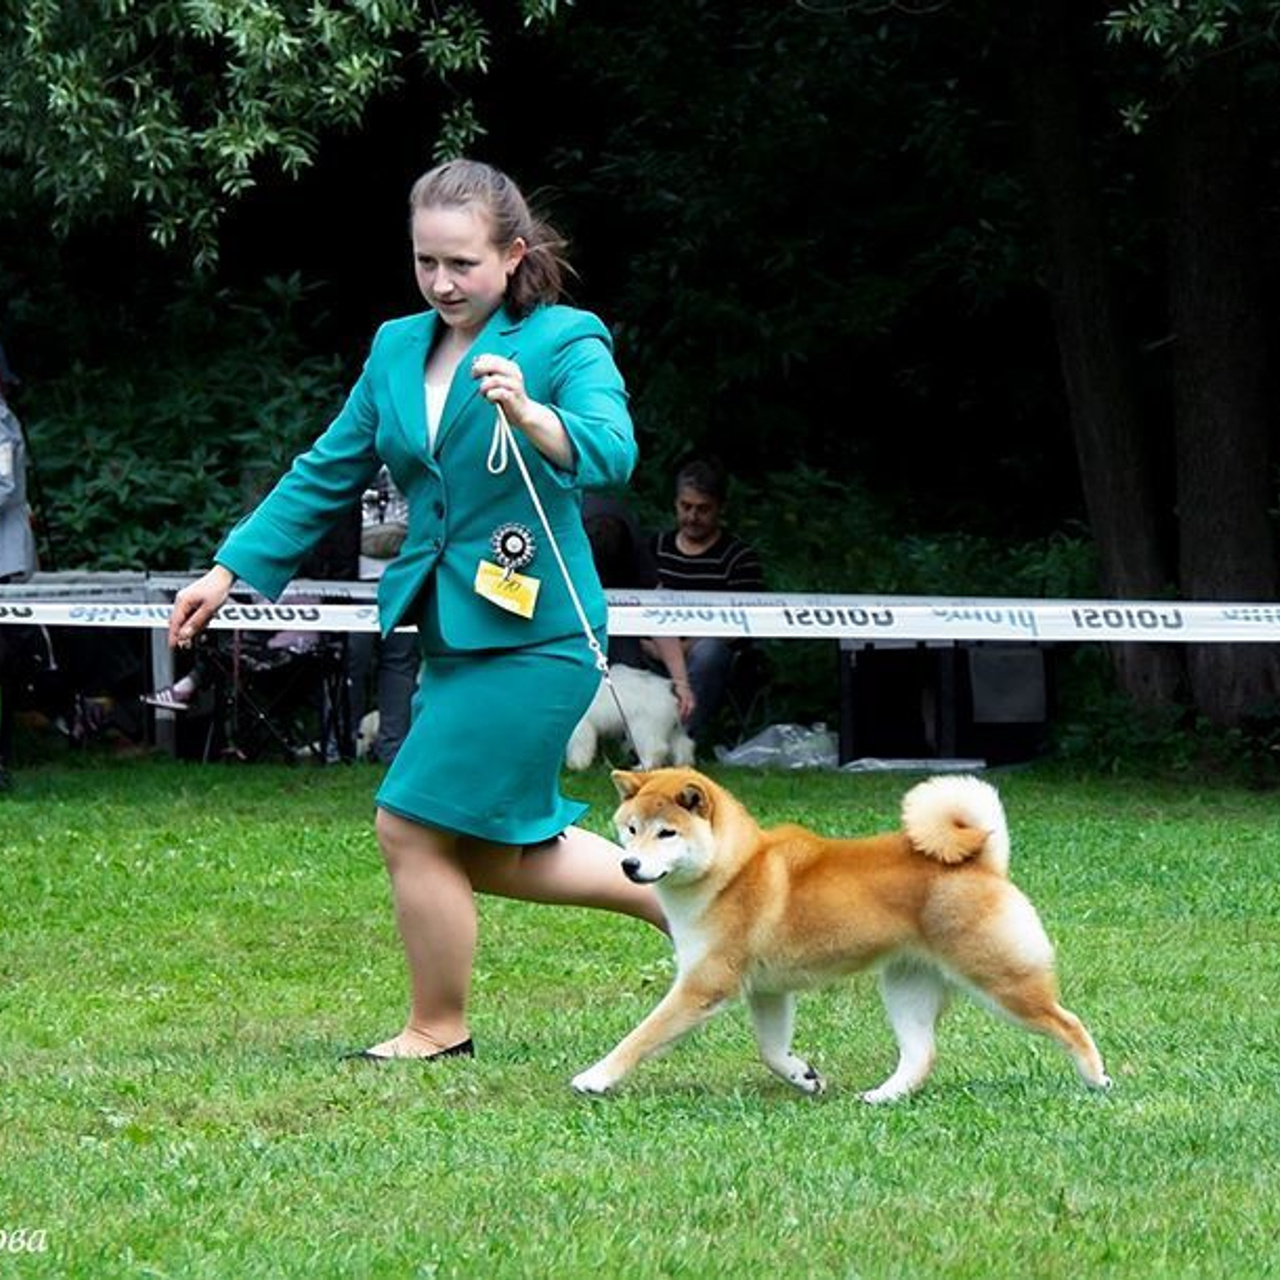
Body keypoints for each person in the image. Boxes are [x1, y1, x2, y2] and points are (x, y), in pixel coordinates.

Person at [169, 158, 666, 1061]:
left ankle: (438, 1029)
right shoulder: (397, 347)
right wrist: (227, 570)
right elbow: (327, 468)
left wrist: (532, 417)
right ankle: (680, 898)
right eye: (425, 262)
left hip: (543, 634)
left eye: (463, 264)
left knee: (408, 822)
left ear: (513, 256)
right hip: (446, 628)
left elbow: (613, 450)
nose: (441, 282)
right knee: (486, 851)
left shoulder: (563, 340)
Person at [648, 457, 765, 741]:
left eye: (703, 509)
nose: (692, 517)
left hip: (708, 652)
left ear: (720, 509)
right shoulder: (655, 548)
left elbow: (742, 624)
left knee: (709, 652)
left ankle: (682, 738)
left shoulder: (739, 558)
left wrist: (682, 647)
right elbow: (637, 606)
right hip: (652, 644)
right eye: (685, 507)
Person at [581, 493, 695, 725]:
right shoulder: (561, 536)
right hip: (567, 606)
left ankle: (630, 744)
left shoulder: (633, 547)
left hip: (624, 615)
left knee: (628, 673)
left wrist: (681, 684)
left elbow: (656, 616)